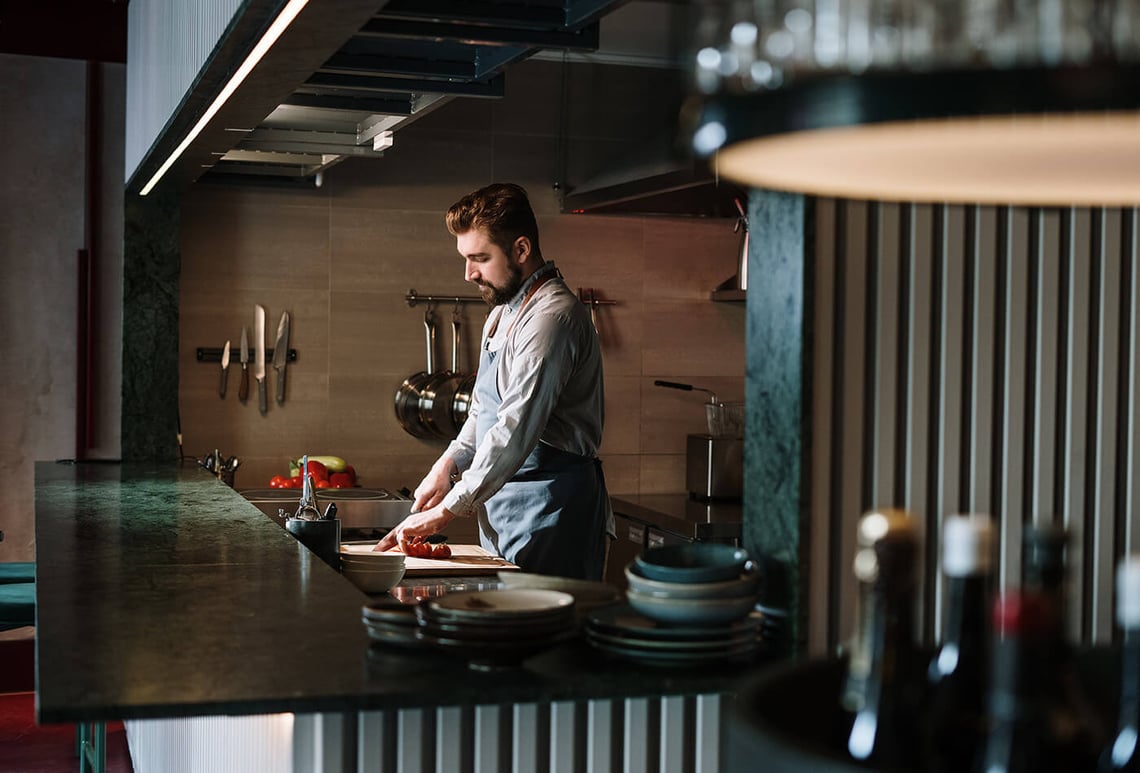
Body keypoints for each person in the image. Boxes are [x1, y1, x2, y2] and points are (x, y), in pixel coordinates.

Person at [376, 182, 613, 580]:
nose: (468, 273)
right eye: (465, 258)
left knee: (543, 636)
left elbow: (515, 429)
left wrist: (447, 510)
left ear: (521, 249)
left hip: (552, 513)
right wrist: (448, 463)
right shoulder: (502, 314)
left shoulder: (551, 320)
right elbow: (485, 410)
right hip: (505, 511)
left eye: (480, 258)